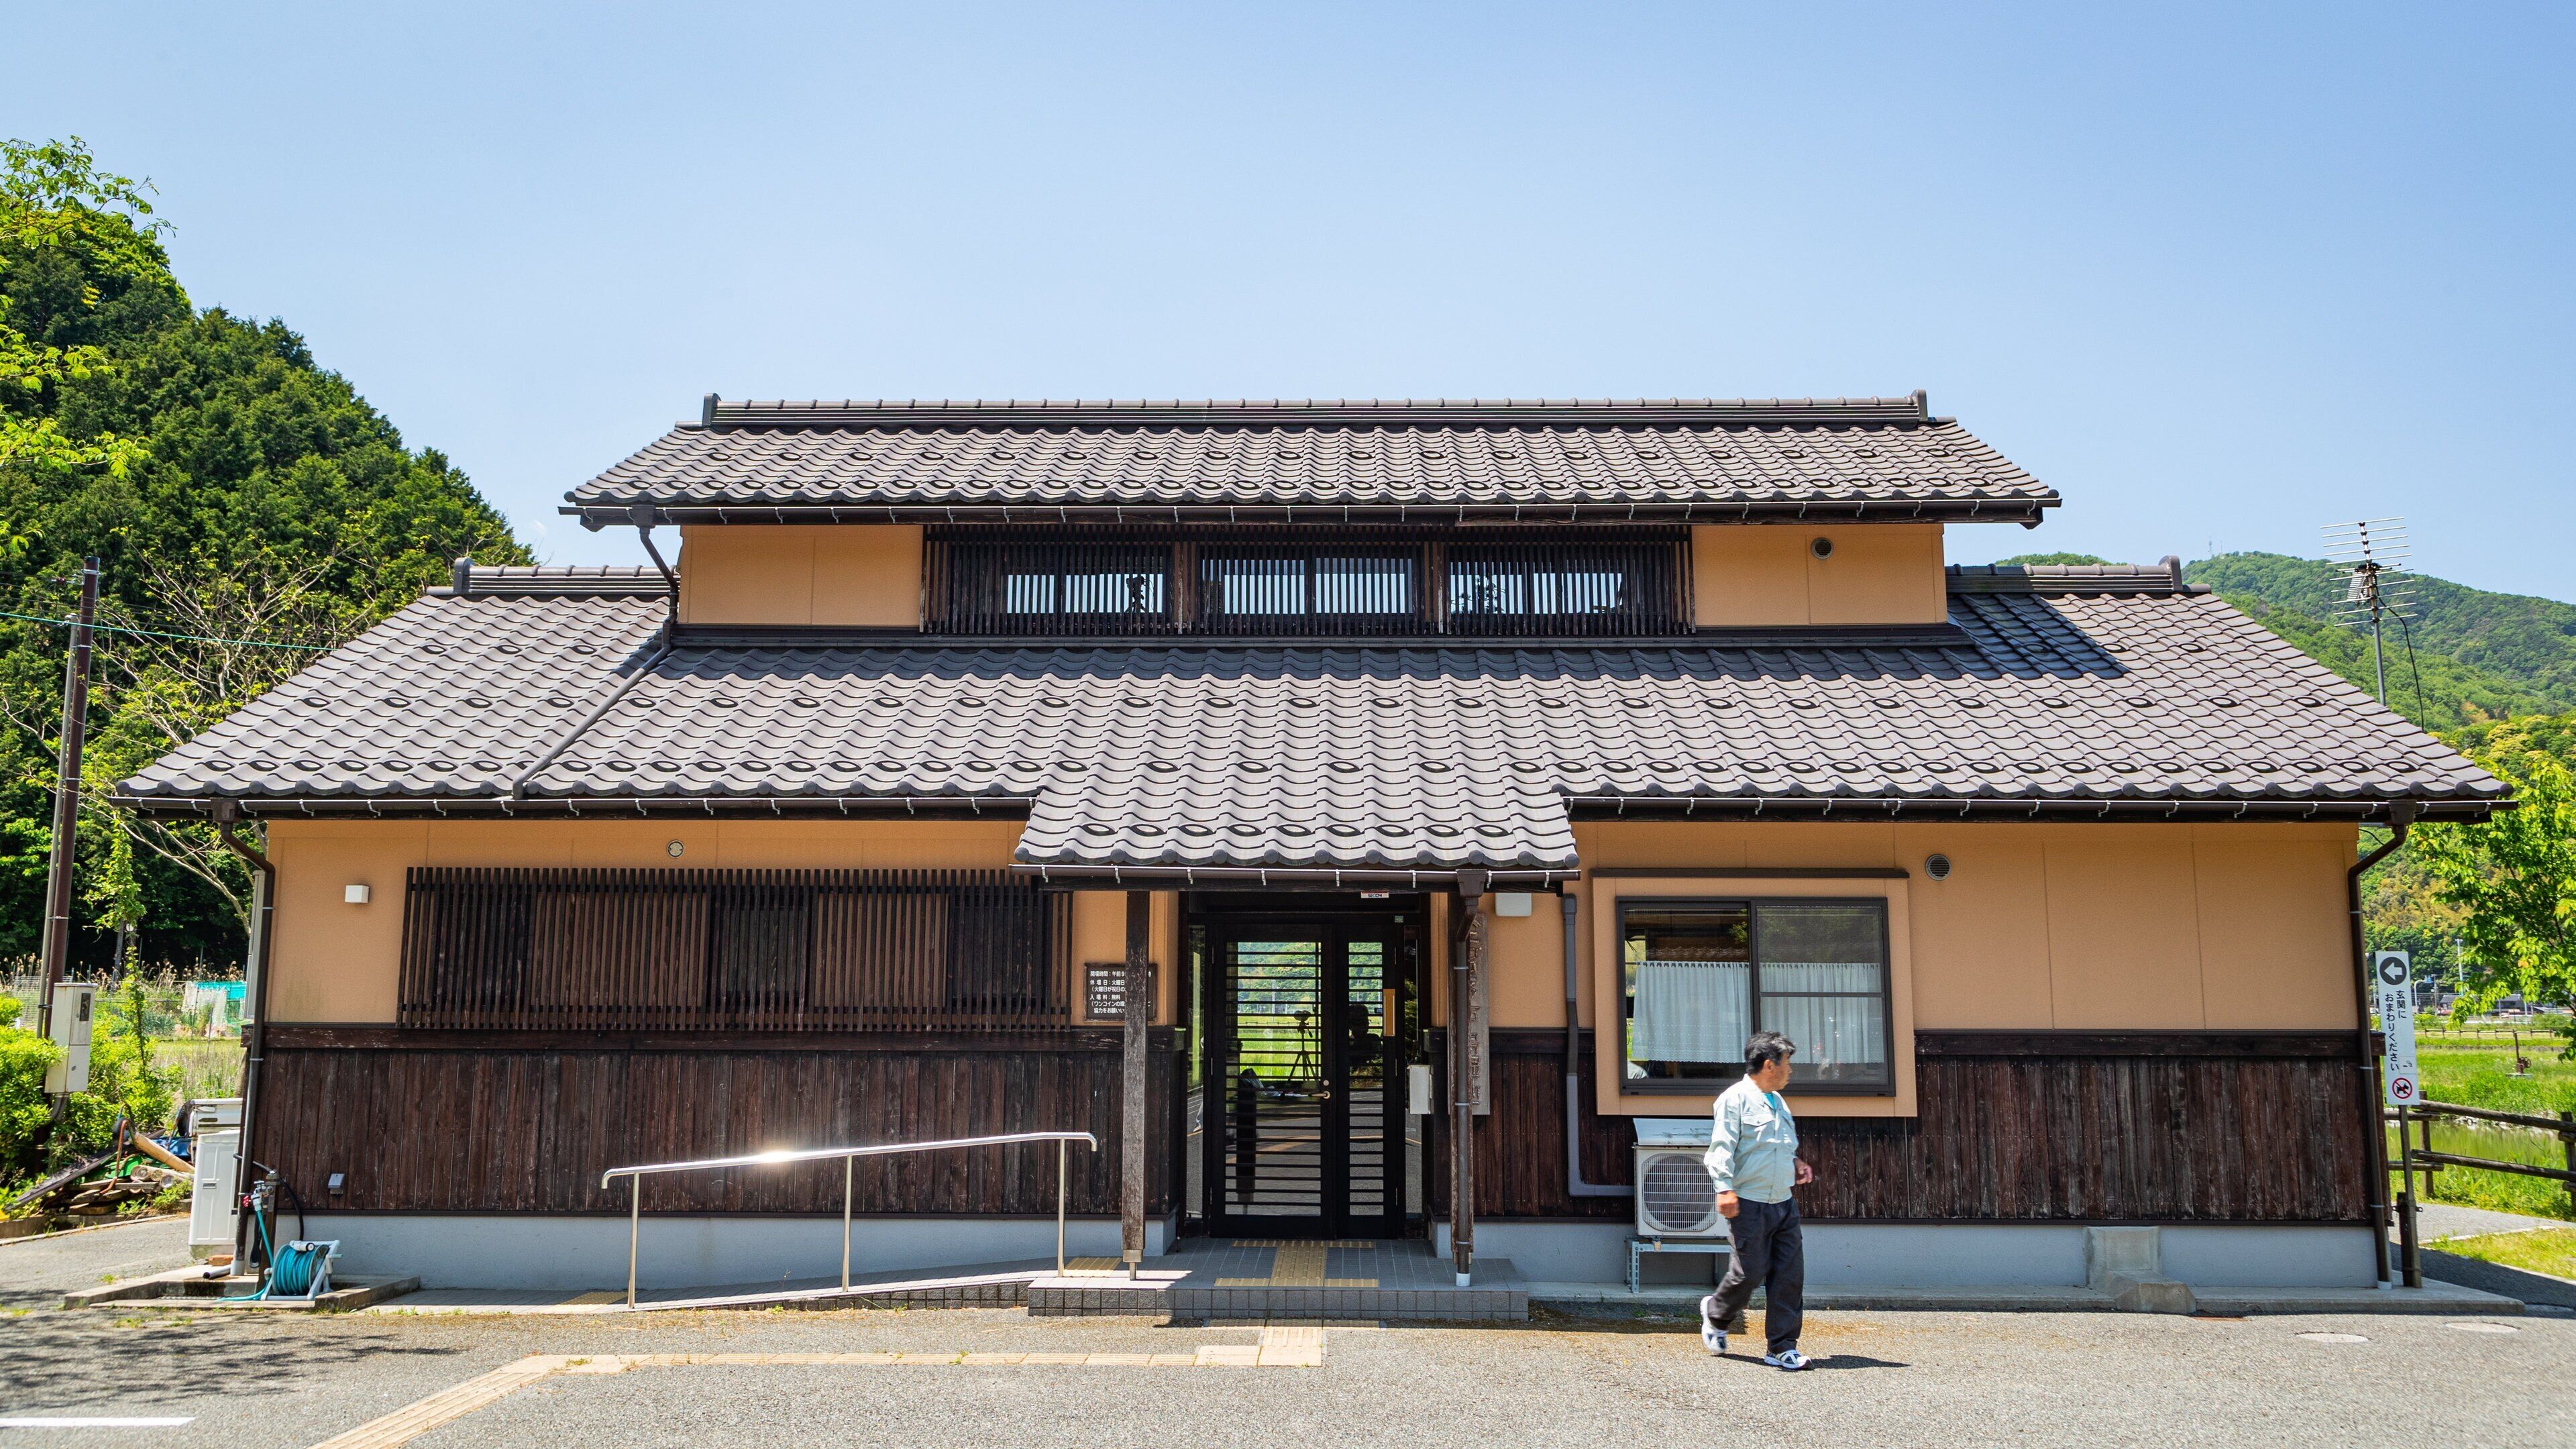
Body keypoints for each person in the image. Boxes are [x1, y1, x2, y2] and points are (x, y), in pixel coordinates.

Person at [1700, 1029, 1814, 1370]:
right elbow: (1721, 1149)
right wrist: (1724, 1188)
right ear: (1769, 1065)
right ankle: (1716, 1314)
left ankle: (1782, 1347)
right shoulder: (1734, 1099)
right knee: (1749, 1274)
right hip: (1748, 1202)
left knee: (1789, 1276)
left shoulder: (1778, 1101)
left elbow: (1780, 1145)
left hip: (1783, 1202)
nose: (1790, 1070)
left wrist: (1796, 1163)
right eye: (1787, 1063)